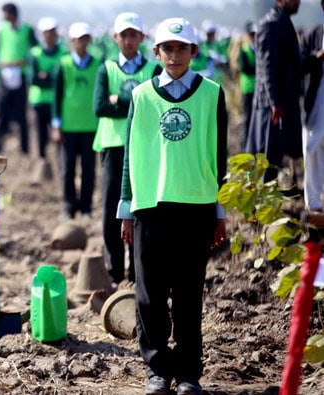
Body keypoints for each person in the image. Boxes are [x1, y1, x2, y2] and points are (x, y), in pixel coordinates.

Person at [118, 17, 227, 395]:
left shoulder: (212, 93)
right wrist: (126, 207)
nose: (175, 55)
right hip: (150, 205)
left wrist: (220, 209)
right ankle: (157, 370)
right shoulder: (142, 96)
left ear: (194, 52)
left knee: (188, 292)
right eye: (168, 48)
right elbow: (130, 156)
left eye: (183, 48)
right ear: (157, 52)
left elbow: (220, 155)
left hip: (196, 205)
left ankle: (190, 373)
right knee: (149, 294)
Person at [92, 12, 161, 285]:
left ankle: (137, 271)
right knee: (112, 210)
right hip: (112, 146)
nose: (129, 40)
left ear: (142, 38)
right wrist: (134, 101)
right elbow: (99, 107)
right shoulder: (105, 69)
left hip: (143, 147)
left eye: (134, 35)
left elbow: (152, 109)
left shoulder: (152, 70)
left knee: (141, 208)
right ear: (115, 38)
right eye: (124, 35)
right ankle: (115, 271)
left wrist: (118, 99)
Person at [246, 0, 302, 182]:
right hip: (270, 106)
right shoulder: (270, 24)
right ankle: (259, 206)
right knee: (266, 158)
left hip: (279, 102)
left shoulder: (283, 22)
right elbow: (266, 68)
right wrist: (274, 102)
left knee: (274, 156)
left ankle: (265, 205)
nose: (298, 2)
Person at [51, 22, 100, 220]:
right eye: (77, 39)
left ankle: (86, 207)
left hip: (90, 125)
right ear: (71, 41)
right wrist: (56, 125)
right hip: (69, 126)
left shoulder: (98, 64)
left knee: (88, 170)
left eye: (84, 38)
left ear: (89, 40)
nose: (81, 42)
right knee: (67, 169)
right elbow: (57, 96)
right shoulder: (63, 65)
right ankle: (68, 207)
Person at [0, 2, 38, 154]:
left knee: (21, 115)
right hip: (5, 75)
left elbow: (36, 49)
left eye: (5, 13)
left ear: (12, 14)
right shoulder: (2, 30)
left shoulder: (26, 29)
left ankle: (25, 149)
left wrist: (25, 61)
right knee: (1, 112)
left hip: (20, 74)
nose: (3, 17)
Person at [28, 17, 66, 164]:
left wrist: (46, 76)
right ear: (42, 34)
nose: (50, 35)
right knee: (41, 134)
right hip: (39, 100)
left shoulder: (63, 53)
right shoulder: (35, 53)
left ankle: (59, 161)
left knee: (59, 133)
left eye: (52, 32)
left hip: (57, 101)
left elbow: (63, 78)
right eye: (47, 32)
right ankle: (42, 161)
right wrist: (52, 79)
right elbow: (33, 79)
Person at [300, 0, 324, 210]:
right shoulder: (314, 34)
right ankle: (314, 204)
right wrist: (318, 56)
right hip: (318, 101)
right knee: (312, 148)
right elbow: (300, 65)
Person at [238, 22, 257, 148]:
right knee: (248, 116)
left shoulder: (260, 49)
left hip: (259, 89)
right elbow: (244, 68)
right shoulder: (244, 50)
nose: (253, 37)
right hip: (248, 88)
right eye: (251, 34)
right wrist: (259, 69)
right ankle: (246, 144)